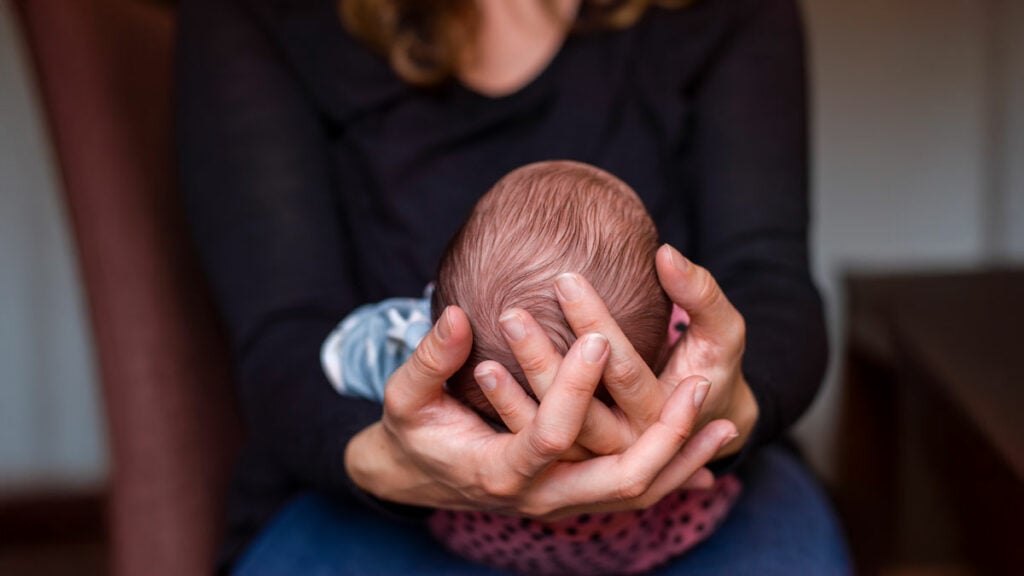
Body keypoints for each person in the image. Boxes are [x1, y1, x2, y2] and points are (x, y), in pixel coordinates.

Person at [176, 0, 850, 573]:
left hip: (696, 480)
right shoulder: (261, 14)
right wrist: (396, 458)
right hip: (373, 495)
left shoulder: (409, 336)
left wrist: (714, 404)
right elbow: (285, 344)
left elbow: (771, 287)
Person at [323, 160, 742, 574]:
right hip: (664, 535)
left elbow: (340, 355)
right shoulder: (679, 345)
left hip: (481, 541)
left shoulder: (423, 372)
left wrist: (401, 331)